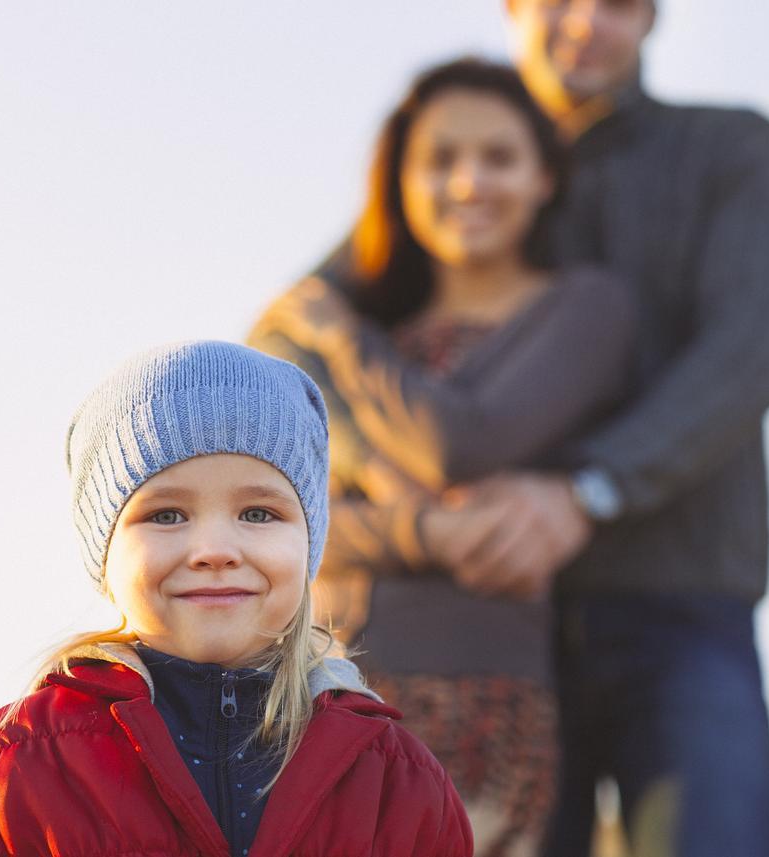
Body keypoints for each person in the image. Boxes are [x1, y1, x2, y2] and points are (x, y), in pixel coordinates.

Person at [250, 58, 635, 857]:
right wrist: (430, 531)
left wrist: (337, 335)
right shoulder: (374, 336)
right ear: (399, 183)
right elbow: (288, 518)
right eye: (440, 160)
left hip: (477, 704)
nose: (468, 183)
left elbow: (459, 443)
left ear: (544, 177)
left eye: (498, 157)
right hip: (315, 694)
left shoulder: (582, 308)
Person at [0, 341, 474, 857]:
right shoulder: (9, 773)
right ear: (104, 553)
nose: (213, 550)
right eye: (166, 515)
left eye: (258, 514)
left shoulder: (399, 784)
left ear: (309, 543)